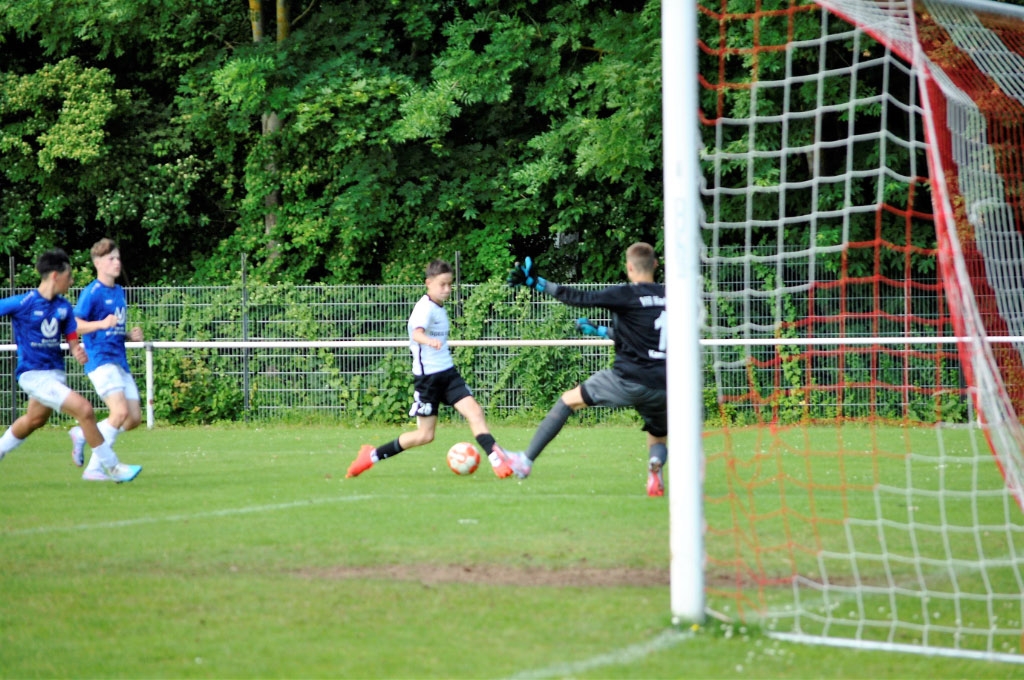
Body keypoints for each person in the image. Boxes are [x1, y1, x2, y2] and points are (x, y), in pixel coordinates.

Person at [504, 242, 668, 496]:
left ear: (629, 267)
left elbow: (580, 298)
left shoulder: (626, 294)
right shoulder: (671, 295)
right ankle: (654, 468)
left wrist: (539, 283)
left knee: (568, 401)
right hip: (664, 384)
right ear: (655, 264)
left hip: (627, 379)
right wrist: (601, 331)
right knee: (657, 434)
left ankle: (525, 461)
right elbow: (646, 337)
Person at [346, 259, 515, 479]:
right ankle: (371, 456)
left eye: (449, 284)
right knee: (425, 435)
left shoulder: (439, 307)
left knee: (474, 412)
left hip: (448, 374)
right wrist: (428, 340)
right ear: (429, 283)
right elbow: (416, 333)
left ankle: (496, 460)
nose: (447, 289)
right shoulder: (424, 308)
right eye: (442, 284)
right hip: (428, 380)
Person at [0, 248, 141, 482]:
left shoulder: (63, 307)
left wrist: (76, 349)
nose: (72, 281)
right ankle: (112, 467)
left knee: (34, 420)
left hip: (55, 374)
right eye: (69, 276)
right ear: (56, 276)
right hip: (33, 375)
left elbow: (71, 334)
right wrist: (98, 327)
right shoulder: (23, 302)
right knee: (85, 410)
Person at [68, 238, 145, 480]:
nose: (117, 262)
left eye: (118, 258)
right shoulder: (92, 292)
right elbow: (74, 325)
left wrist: (129, 335)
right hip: (100, 359)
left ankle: (84, 433)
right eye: (111, 259)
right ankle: (94, 469)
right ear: (98, 263)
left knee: (133, 419)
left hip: (119, 360)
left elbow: (113, 329)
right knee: (119, 412)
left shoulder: (119, 292)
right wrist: (101, 324)